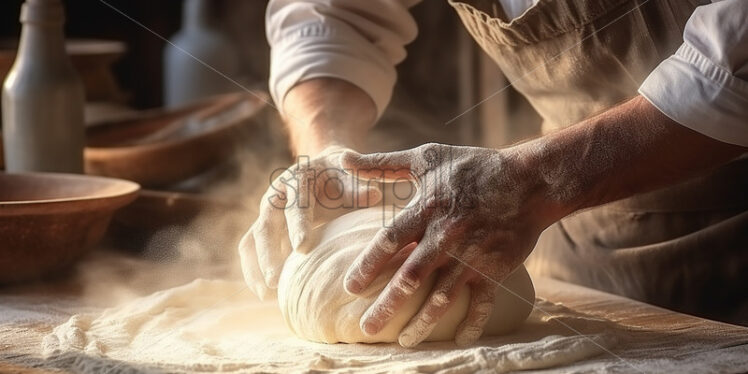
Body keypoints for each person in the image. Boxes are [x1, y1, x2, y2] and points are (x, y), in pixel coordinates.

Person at [238, 0, 748, 348]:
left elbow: (733, 62)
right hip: (575, 232)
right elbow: (333, 12)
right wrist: (327, 154)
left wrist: (535, 180)